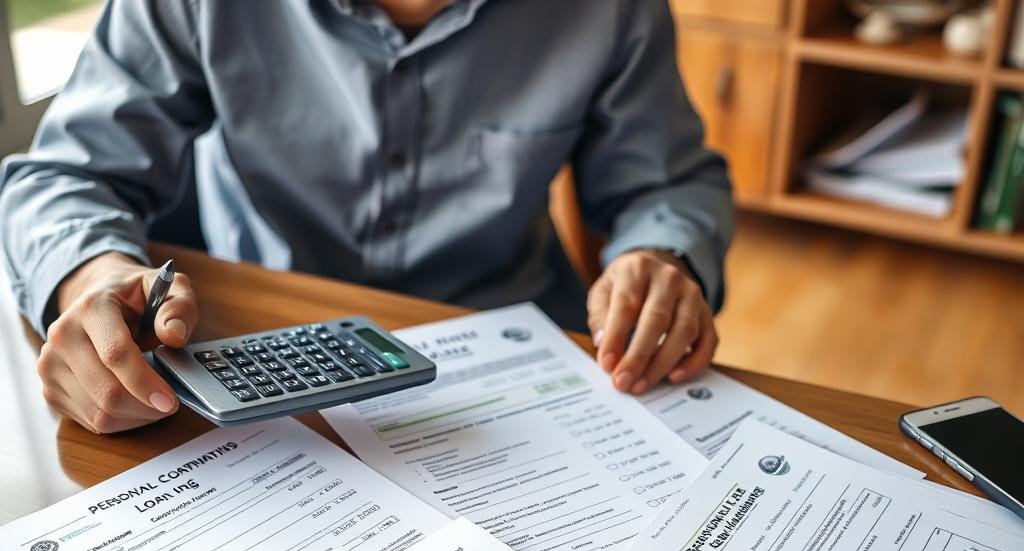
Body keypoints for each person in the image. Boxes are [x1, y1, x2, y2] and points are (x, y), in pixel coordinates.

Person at [0, 0, 733, 434]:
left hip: (514, 366)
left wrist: (662, 255)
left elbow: (666, 183)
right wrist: (90, 277)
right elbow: (66, 174)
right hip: (257, 363)